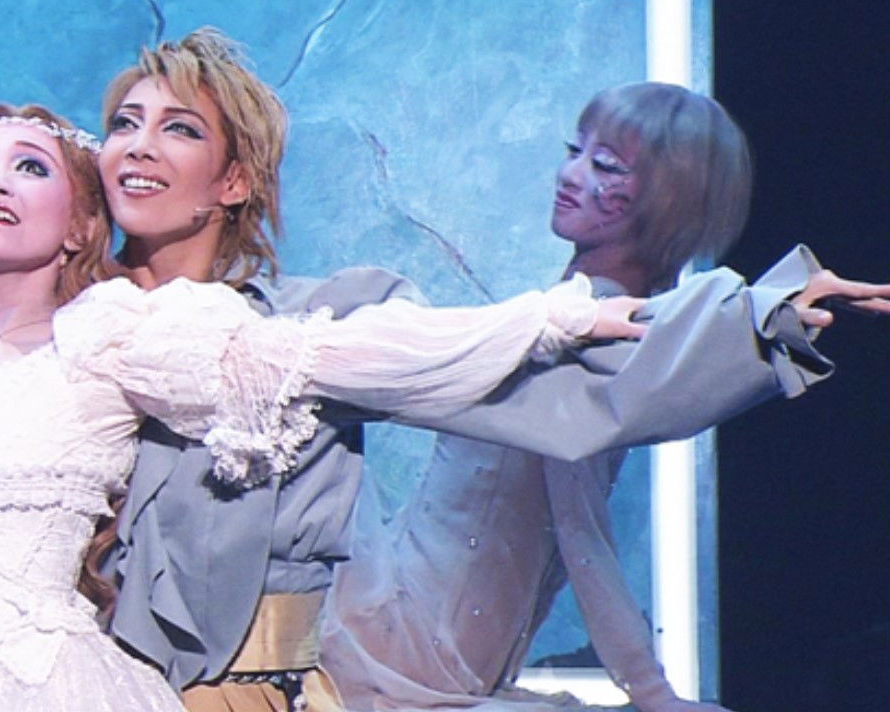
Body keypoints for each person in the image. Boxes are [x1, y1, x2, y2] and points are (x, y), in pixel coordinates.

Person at [0, 30, 888, 712]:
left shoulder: (323, 321)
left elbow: (547, 400)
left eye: (178, 130)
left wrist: (748, 322)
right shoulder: (40, 317)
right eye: (122, 124)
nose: (136, 145)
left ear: (233, 181)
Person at [0, 100, 640, 710]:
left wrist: (552, 319)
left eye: (30, 167)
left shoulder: (111, 334)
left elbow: (331, 356)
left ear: (81, 225)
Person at [317, 83, 890, 712]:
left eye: (606, 166)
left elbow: (581, 533)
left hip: (417, 652)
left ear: (667, 201)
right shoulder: (569, 317)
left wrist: (652, 692)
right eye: (575, 151)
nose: (570, 175)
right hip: (405, 620)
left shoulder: (600, 337)